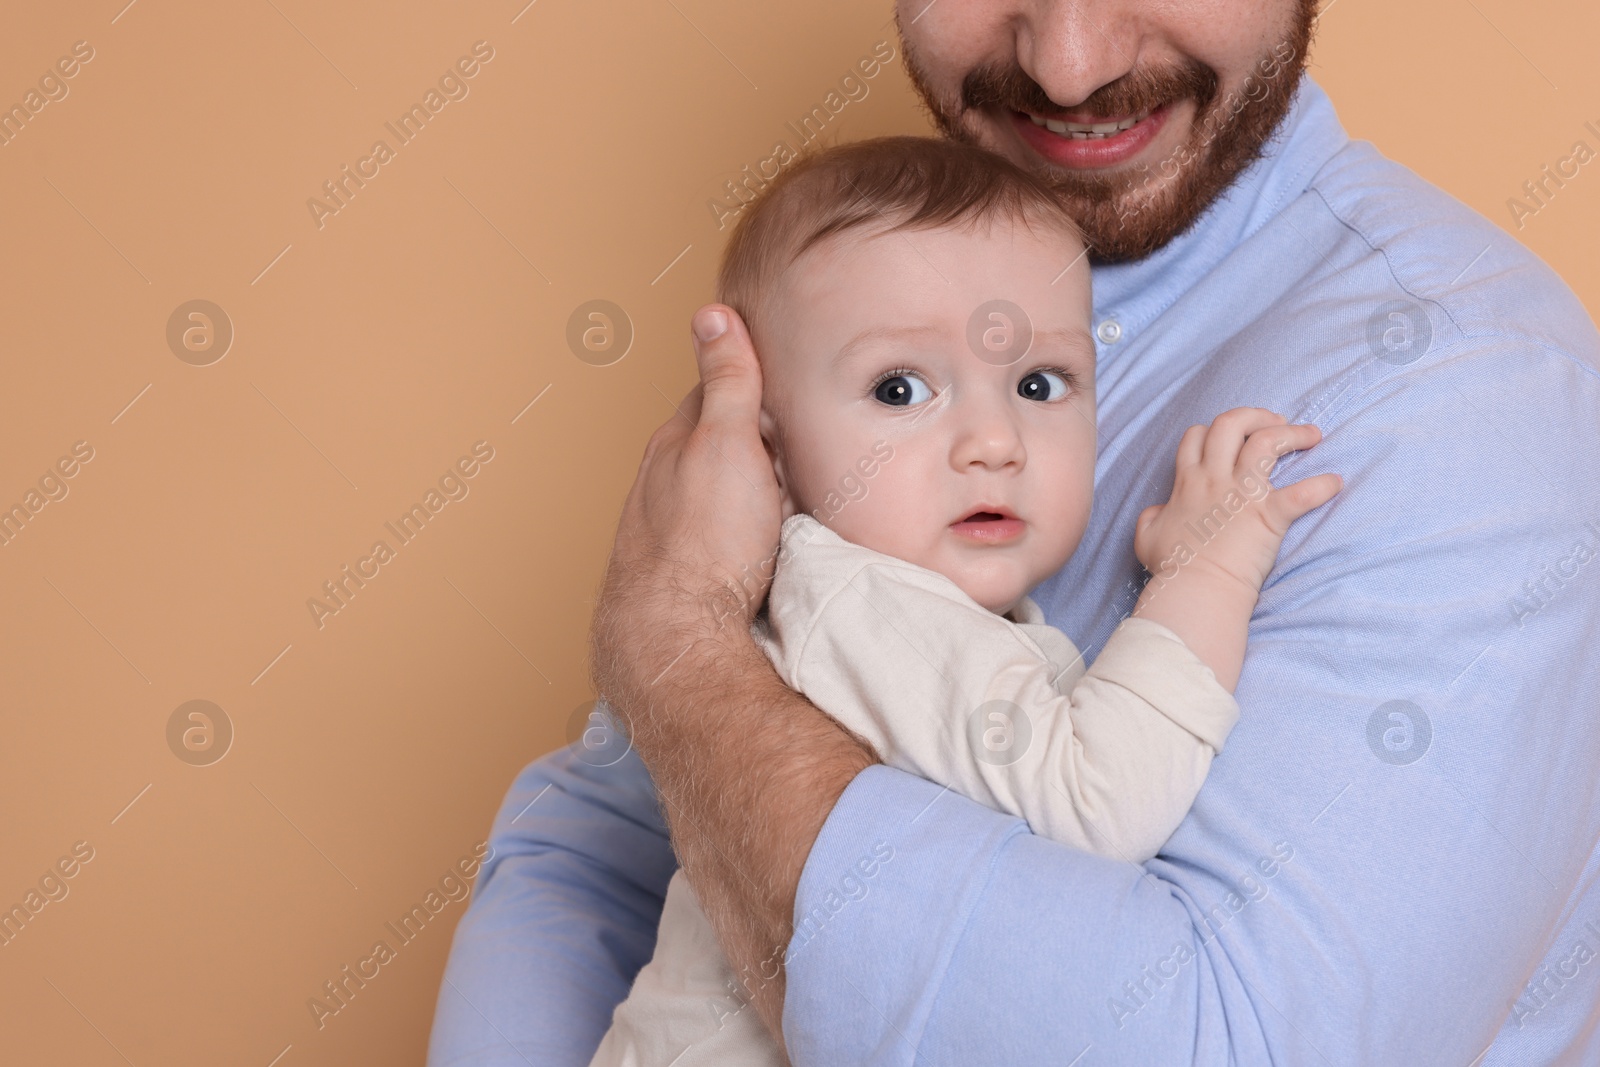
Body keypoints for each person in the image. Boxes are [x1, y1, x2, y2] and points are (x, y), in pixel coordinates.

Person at [427, 0, 1600, 1062]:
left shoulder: (1465, 397)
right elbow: (598, 845)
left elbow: (1219, 1045)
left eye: (1042, 385)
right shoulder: (859, 288)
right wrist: (676, 666)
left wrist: (676, 643)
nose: (1068, 65)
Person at [586, 134, 1337, 1067]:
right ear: (767, 452)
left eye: (1037, 382)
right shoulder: (858, 603)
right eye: (900, 389)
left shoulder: (901, 606)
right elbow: (1096, 803)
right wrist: (1206, 574)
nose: (993, 438)